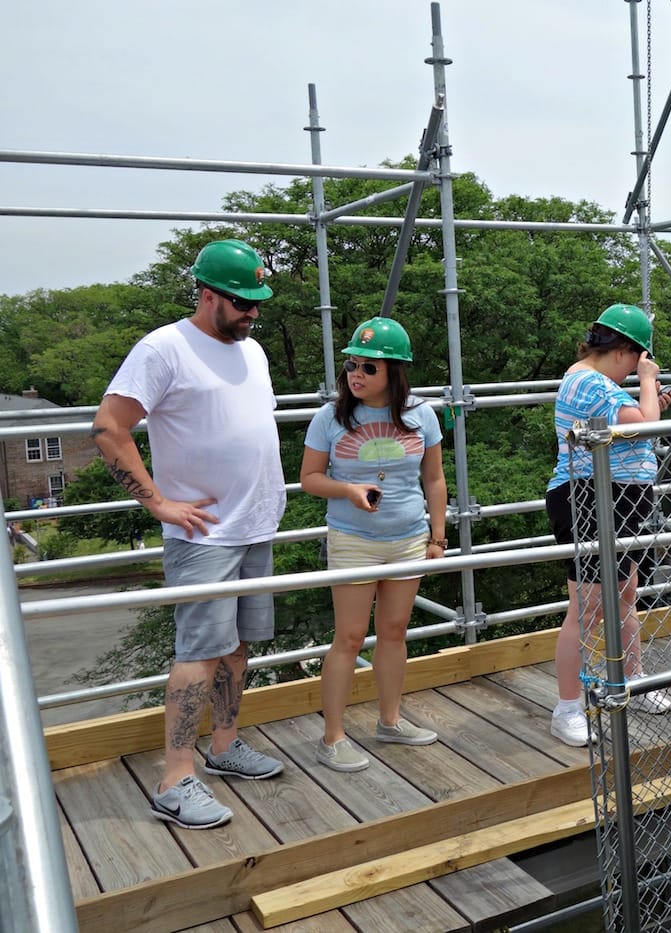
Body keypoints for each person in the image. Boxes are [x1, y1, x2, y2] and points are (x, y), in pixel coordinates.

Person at [91, 238, 287, 830]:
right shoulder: (164, 347)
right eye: (241, 301)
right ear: (207, 294)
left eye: (257, 301)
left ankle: (224, 747)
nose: (252, 311)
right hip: (204, 536)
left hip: (254, 525)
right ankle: (175, 777)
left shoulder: (251, 351)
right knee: (198, 654)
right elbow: (109, 427)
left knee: (237, 647)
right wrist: (158, 504)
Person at [300, 317, 448, 772]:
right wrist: (348, 490)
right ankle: (333, 738)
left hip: (407, 539)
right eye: (351, 365)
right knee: (348, 637)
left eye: (368, 367)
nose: (355, 375)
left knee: (394, 632)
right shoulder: (330, 416)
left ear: (395, 374)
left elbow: (435, 477)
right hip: (353, 540)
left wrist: (438, 535)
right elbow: (309, 479)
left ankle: (390, 721)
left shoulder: (422, 414)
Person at [545, 304, 671, 746]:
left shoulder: (592, 381)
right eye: (639, 361)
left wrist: (646, 400)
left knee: (623, 599)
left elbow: (635, 422)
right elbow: (644, 430)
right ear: (624, 352)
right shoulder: (589, 381)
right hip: (590, 496)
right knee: (586, 610)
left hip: (620, 496)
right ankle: (567, 707)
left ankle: (629, 680)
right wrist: (647, 384)